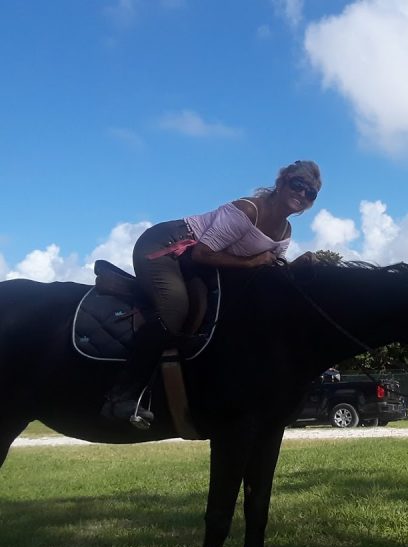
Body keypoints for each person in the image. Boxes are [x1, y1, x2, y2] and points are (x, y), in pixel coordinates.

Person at [101, 160, 322, 427]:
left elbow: (269, 271)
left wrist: (296, 269)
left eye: (310, 193)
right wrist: (250, 263)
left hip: (201, 265)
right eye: (298, 185)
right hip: (168, 246)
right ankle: (122, 396)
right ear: (281, 182)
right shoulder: (247, 211)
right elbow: (202, 253)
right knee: (175, 308)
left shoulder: (286, 231)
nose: (302, 194)